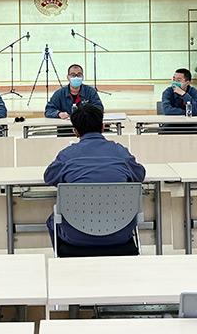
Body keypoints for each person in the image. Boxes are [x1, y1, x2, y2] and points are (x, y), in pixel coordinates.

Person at [44, 104, 145, 250]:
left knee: (52, 220)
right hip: (120, 232)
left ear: (75, 132)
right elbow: (140, 175)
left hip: (76, 234)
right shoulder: (120, 152)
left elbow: (49, 178)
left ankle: (63, 258)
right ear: (103, 127)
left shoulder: (67, 155)